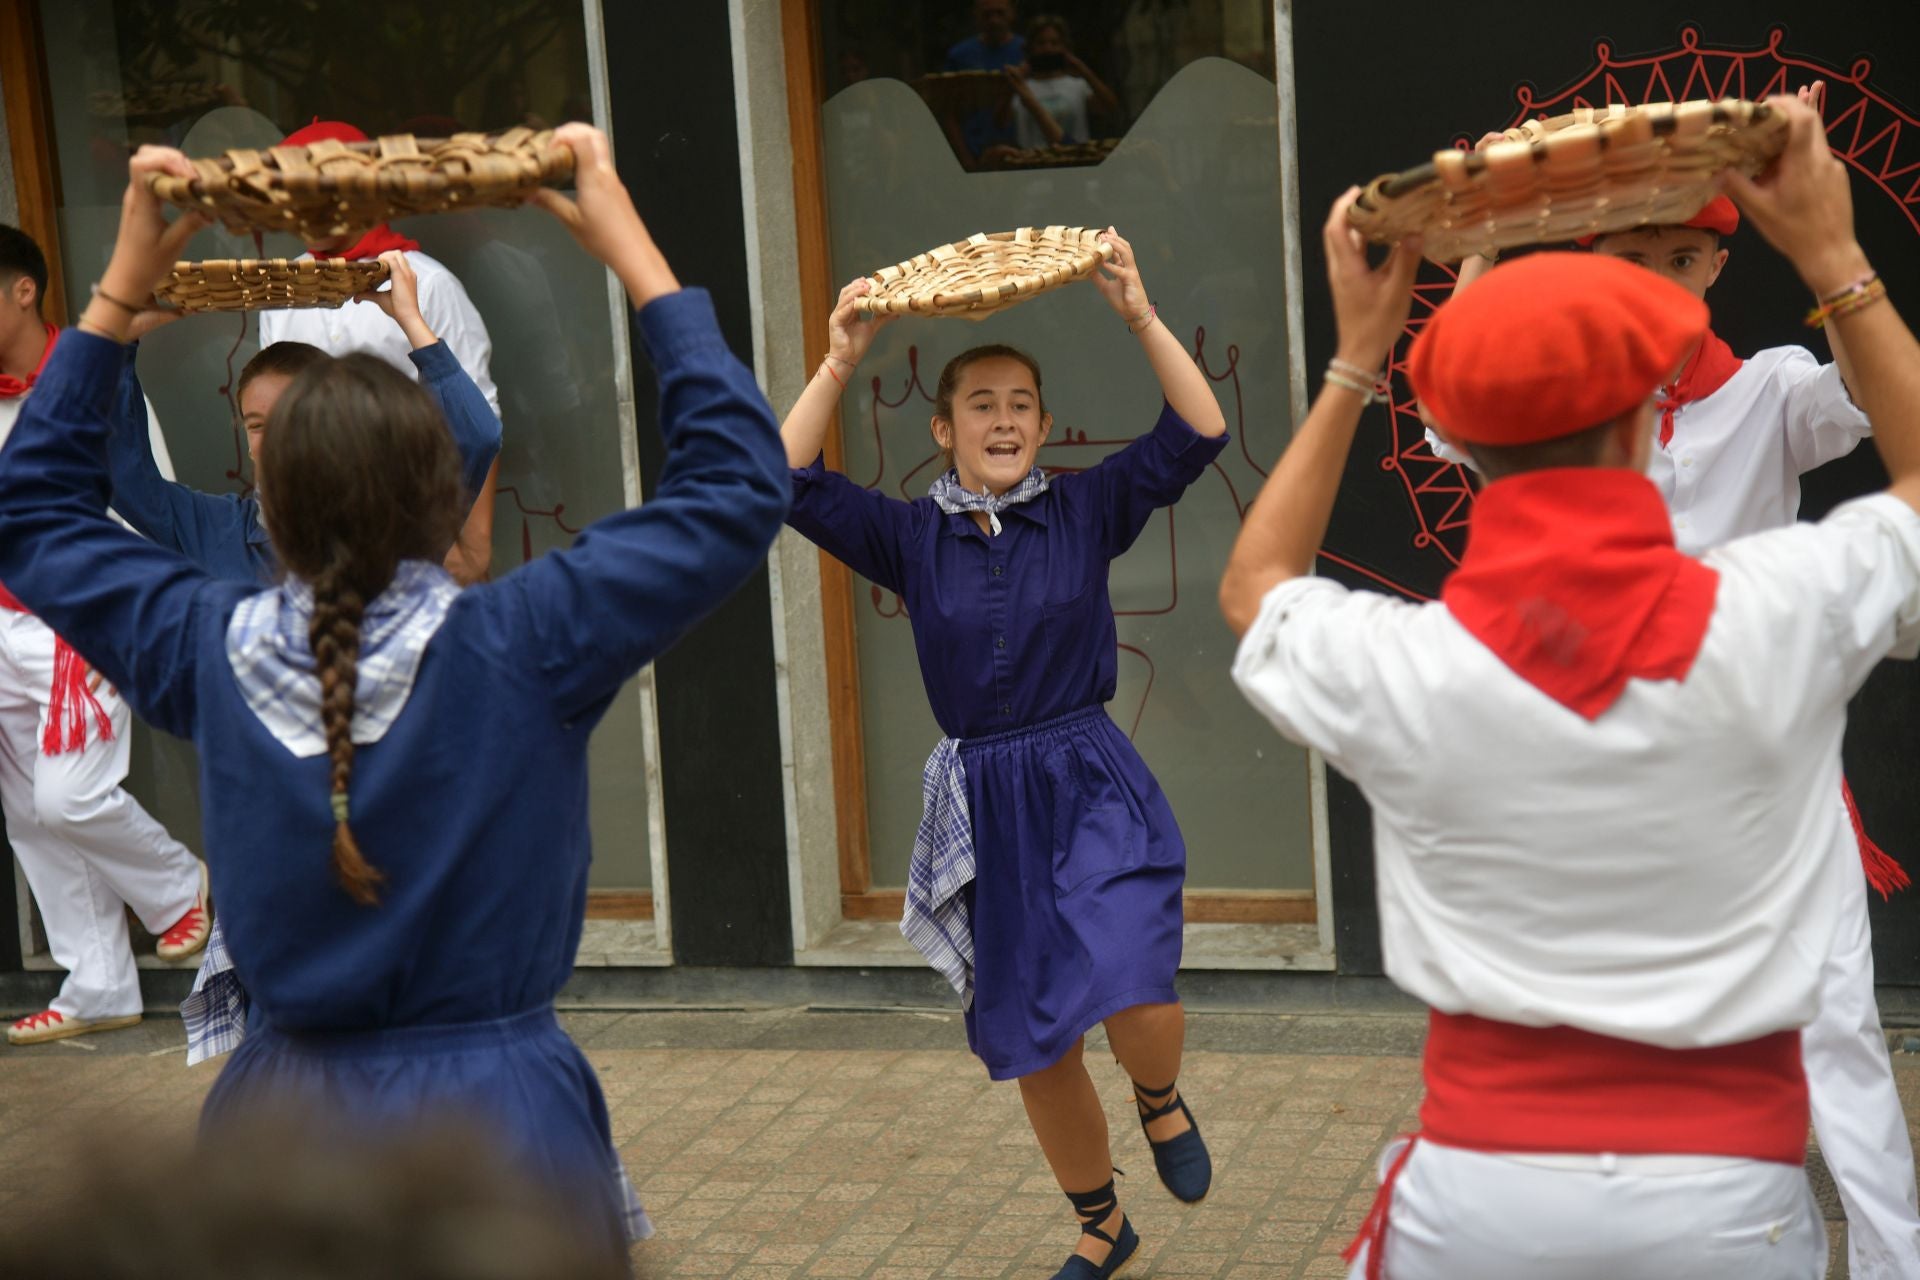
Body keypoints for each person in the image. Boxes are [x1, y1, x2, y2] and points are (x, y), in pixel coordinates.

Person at [0, 124, 787, 1261]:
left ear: (269, 493)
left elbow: (31, 510)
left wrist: (118, 292)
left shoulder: (203, 642)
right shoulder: (525, 638)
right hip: (505, 1129)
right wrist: (635, 254)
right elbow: (736, 486)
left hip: (280, 1135)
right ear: (438, 485)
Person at [1219, 95, 1918, 1278]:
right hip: (1720, 1196)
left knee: (1845, 1030)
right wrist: (1836, 253)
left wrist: (1354, 358)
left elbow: (1255, 584)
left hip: (1477, 1199)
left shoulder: (1410, 666)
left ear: (1461, 444)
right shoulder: (1776, 611)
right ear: (1645, 437)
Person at [1426, 84, 1920, 1279]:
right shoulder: (1558, 406)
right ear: (1596, 263)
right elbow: (1453, 412)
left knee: (1842, 1034)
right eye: (1636, 253)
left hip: (1763, 775)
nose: (1660, 274)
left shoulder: (1770, 390)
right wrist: (1481, 242)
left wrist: (1833, 250)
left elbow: (1875, 398)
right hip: (1596, 777)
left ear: (1712, 265)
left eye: (1684, 254)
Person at [780, 232, 1223, 1278]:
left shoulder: (1083, 507)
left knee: (1136, 975)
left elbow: (1198, 429)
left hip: (1087, 773)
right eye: (982, 402)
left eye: (1022, 401)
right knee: (1039, 1036)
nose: (1005, 417)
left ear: (1045, 424)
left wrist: (1138, 311)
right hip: (987, 794)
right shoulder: (907, 536)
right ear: (944, 428)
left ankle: (1159, 1097)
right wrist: (839, 357)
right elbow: (784, 474)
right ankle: (1102, 1225)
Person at [0, 223, 208, 1046]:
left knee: (68, 795)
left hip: (76, 616)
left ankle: (176, 885)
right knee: (27, 814)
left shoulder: (91, 381)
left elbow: (143, 506)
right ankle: (98, 984)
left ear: (23, 289)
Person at [107, 251, 501, 587]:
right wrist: (116, 342)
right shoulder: (213, 529)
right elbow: (122, 473)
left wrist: (411, 321)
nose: (277, 439)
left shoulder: (391, 523)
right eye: (257, 424)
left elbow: (475, 436)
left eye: (294, 416)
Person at [259, 120, 501, 586]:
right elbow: (270, 415)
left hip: (411, 533)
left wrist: (471, 549)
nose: (301, 208)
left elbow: (478, 417)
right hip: (315, 540)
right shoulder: (281, 288)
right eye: (289, 193)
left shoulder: (427, 283)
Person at [1006, 15, 1121, 151]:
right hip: (1032, 163)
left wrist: (1085, 72)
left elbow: (1110, 107)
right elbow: (1001, 123)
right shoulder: (1022, 88)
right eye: (1041, 43)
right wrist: (1013, 84)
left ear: (1064, 47)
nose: (1048, 49)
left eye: (1055, 43)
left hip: (1074, 159)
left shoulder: (1077, 86)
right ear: (1031, 48)